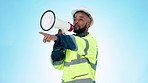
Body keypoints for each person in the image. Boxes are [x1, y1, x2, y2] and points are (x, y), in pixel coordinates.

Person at [39, 7, 98, 83]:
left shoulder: (90, 42)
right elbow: (57, 65)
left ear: (88, 25)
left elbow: (75, 42)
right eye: (74, 19)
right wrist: (58, 44)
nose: (76, 21)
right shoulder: (68, 45)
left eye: (81, 19)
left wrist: (57, 38)